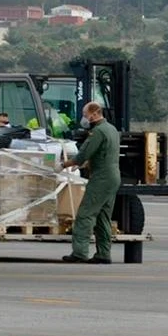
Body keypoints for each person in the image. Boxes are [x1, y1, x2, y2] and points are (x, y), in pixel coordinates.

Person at [63, 101, 119, 264]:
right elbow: (104, 154)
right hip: (113, 177)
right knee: (103, 217)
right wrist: (85, 164)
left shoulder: (98, 131)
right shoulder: (112, 129)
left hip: (101, 178)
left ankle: (80, 252)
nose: (84, 118)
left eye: (85, 114)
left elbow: (83, 154)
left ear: (94, 114)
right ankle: (103, 253)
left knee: (85, 214)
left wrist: (63, 164)